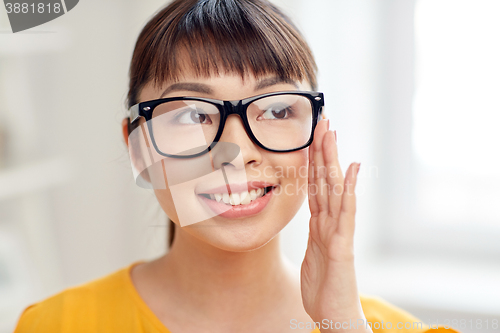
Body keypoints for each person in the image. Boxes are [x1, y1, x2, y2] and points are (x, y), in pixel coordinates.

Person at [14, 0, 459, 332]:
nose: (236, 150)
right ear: (139, 149)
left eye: (278, 110)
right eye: (191, 114)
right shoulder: (57, 324)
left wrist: (339, 323)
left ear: (318, 132)